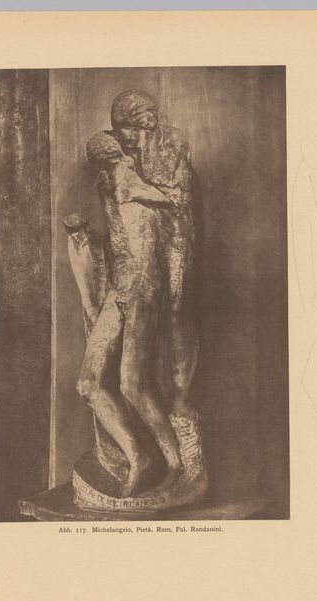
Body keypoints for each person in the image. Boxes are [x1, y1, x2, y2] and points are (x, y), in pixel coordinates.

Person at [76, 131, 182, 497]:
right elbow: (120, 238)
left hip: (143, 289)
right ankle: (138, 458)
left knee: (131, 384)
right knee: (88, 384)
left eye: (108, 161)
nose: (108, 170)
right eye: (103, 165)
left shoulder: (132, 180)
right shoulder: (111, 183)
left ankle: (176, 463)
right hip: (119, 289)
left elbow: (173, 203)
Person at [110, 90, 198, 418]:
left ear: (149, 123)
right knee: (143, 314)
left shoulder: (173, 142)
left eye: (131, 128)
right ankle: (148, 399)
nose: (124, 136)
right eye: (119, 128)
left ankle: (181, 400)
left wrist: (139, 190)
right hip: (141, 243)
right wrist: (154, 193)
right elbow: (119, 184)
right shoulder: (115, 144)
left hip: (175, 237)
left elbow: (181, 198)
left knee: (175, 309)